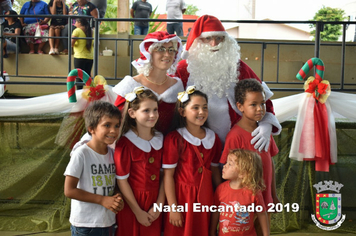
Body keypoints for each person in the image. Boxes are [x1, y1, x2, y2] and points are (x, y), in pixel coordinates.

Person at [175, 15, 281, 151]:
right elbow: (172, 107)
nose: (214, 44)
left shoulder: (238, 67)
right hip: (197, 143)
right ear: (197, 41)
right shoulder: (184, 69)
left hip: (238, 141)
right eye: (208, 38)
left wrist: (266, 124)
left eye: (219, 38)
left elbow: (262, 97)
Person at [220, 79, 279, 235]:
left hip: (265, 199)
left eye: (262, 103)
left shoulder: (265, 132)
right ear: (240, 107)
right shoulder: (235, 136)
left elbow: (270, 163)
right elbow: (228, 171)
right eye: (253, 104)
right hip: (244, 204)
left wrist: (273, 195)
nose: (260, 109)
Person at [163, 86, 222, 236]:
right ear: (182, 112)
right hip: (182, 197)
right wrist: (173, 208)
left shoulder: (213, 138)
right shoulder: (174, 138)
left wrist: (223, 196)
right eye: (195, 108)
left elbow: (215, 170)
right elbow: (168, 175)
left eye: (204, 108)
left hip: (206, 196)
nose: (201, 112)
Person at [64, 100, 124, 236]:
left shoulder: (113, 154)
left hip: (108, 222)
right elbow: (69, 190)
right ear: (91, 128)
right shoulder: (81, 154)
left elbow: (114, 184)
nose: (113, 130)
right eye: (107, 125)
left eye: (117, 125)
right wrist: (102, 200)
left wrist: (117, 197)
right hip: (85, 224)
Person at [114, 87, 164, 236]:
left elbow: (164, 176)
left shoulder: (161, 139)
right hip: (132, 204)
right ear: (132, 113)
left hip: (154, 203)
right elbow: (122, 181)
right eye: (146, 110)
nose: (152, 115)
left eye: (155, 110)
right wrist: (138, 212)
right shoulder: (125, 143)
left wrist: (159, 205)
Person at [113, 31, 183, 135]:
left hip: (169, 147)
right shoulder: (131, 85)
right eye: (161, 49)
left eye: (171, 50)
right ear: (149, 53)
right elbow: (116, 122)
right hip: (137, 147)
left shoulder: (177, 86)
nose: (167, 54)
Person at [210, 149, 269, 236]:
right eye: (226, 163)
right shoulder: (220, 189)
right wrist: (212, 232)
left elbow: (262, 214)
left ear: (243, 173)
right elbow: (216, 211)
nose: (224, 166)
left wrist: (266, 234)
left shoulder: (254, 191)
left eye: (230, 164)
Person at [71, 18, 93, 89]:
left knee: (79, 77)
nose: (74, 24)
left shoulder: (77, 30)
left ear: (79, 22)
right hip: (90, 57)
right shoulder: (91, 31)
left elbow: (71, 43)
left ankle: (78, 94)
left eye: (75, 22)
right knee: (88, 77)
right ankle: (91, 94)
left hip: (79, 56)